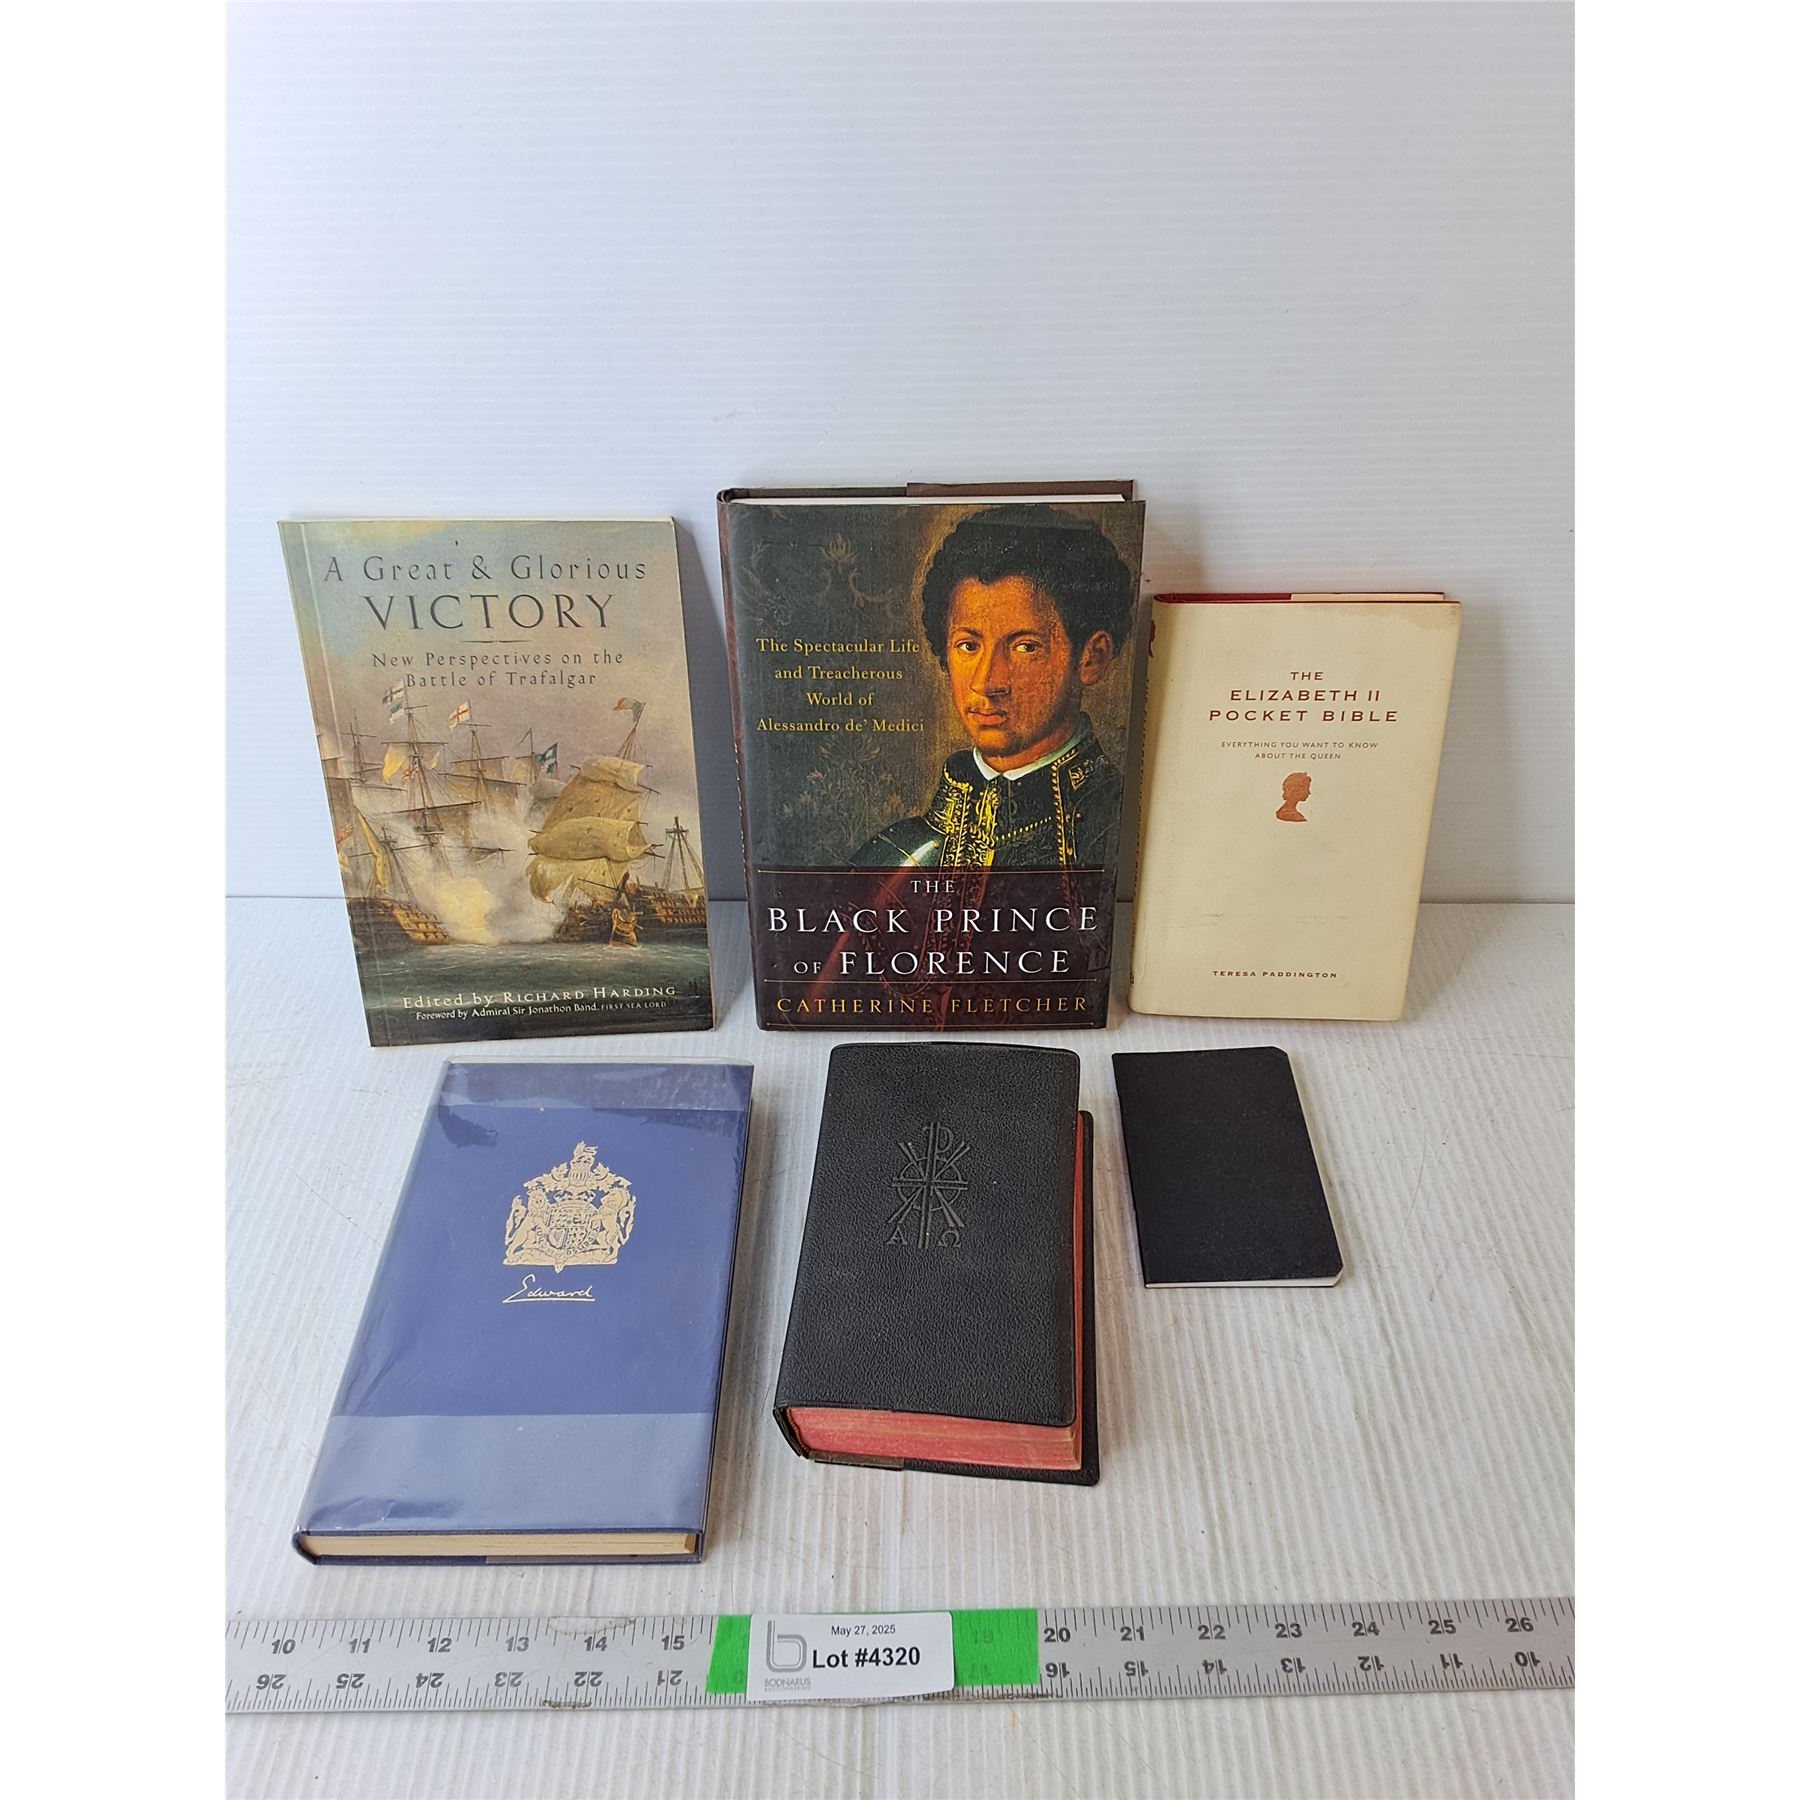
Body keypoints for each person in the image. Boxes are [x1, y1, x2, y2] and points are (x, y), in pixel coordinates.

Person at [850, 506, 1134, 868]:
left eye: (1025, 647)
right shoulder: (892, 856)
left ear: (1091, 658)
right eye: (968, 646)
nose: (986, 683)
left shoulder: (1123, 830)